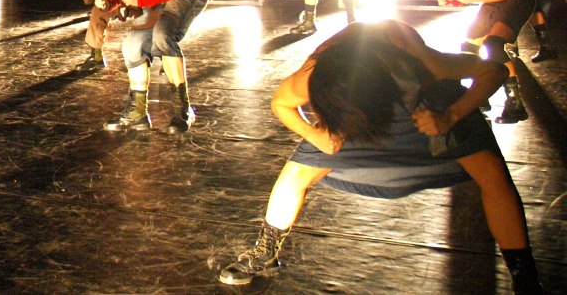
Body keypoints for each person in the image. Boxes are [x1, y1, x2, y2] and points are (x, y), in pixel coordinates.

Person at [216, 20, 542, 294]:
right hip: (353, 111)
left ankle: (524, 276)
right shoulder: (315, 75)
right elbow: (280, 103)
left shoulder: (421, 65)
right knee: (293, 177)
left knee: (492, 174)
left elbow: (494, 71)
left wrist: (451, 116)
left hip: (425, 105)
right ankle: (266, 251)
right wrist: (317, 135)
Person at [70, 0, 209, 133]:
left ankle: (183, 110)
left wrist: (141, 1)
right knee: (132, 46)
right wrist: (110, 1)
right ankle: (137, 114)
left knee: (162, 35)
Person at [404, 0, 536, 123]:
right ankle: (479, 95)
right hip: (496, 2)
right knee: (469, 45)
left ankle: (515, 102)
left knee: (493, 45)